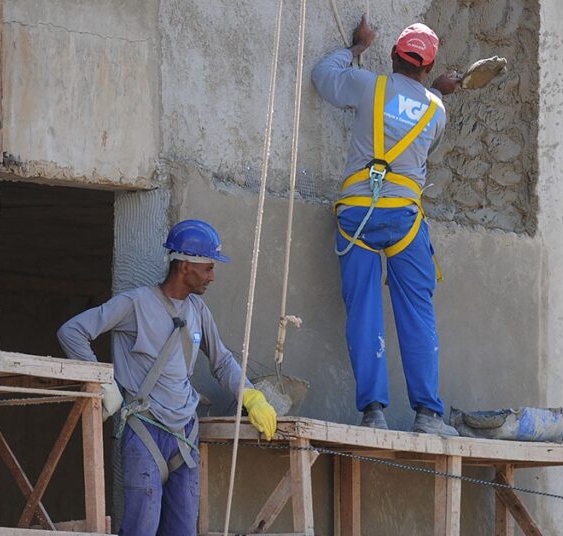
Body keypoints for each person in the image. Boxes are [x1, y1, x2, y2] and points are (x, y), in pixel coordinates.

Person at [57, 219, 277, 536]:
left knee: (183, 529)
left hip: (185, 433)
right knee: (141, 528)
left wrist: (252, 396)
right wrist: (101, 382)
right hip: (145, 427)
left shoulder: (198, 310)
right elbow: (72, 331)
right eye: (208, 268)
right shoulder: (134, 304)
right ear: (186, 266)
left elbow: (223, 360)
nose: (212, 277)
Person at [311, 16, 462, 436]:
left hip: (356, 212)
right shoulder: (438, 110)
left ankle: (373, 412)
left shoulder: (367, 85)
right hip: (404, 220)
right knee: (416, 311)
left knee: (363, 309)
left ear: (394, 56)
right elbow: (418, 119)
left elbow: (322, 77)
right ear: (428, 69)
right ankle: (428, 416)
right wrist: (436, 91)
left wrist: (355, 48)